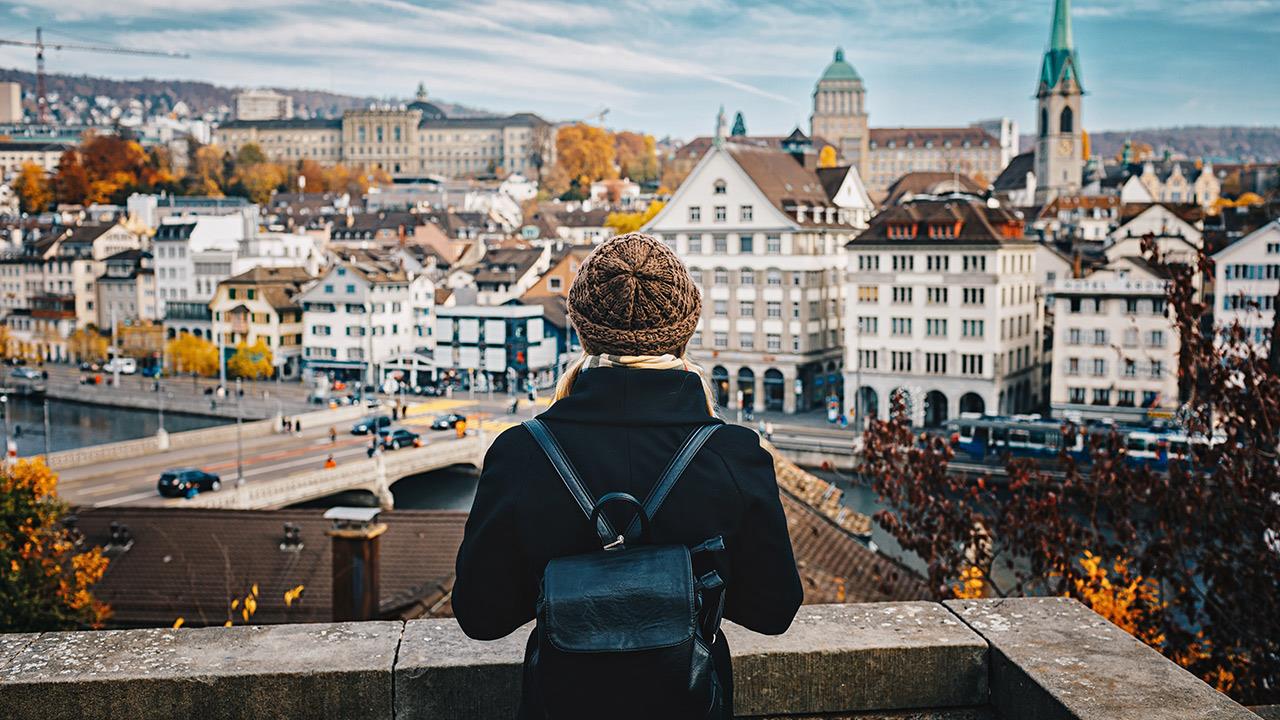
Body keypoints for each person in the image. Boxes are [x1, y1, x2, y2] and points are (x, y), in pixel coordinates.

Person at [453, 233, 802, 719]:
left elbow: (480, 616)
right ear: (685, 332)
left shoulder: (520, 453)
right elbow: (774, 610)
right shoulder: (733, 455)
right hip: (688, 702)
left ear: (581, 332)